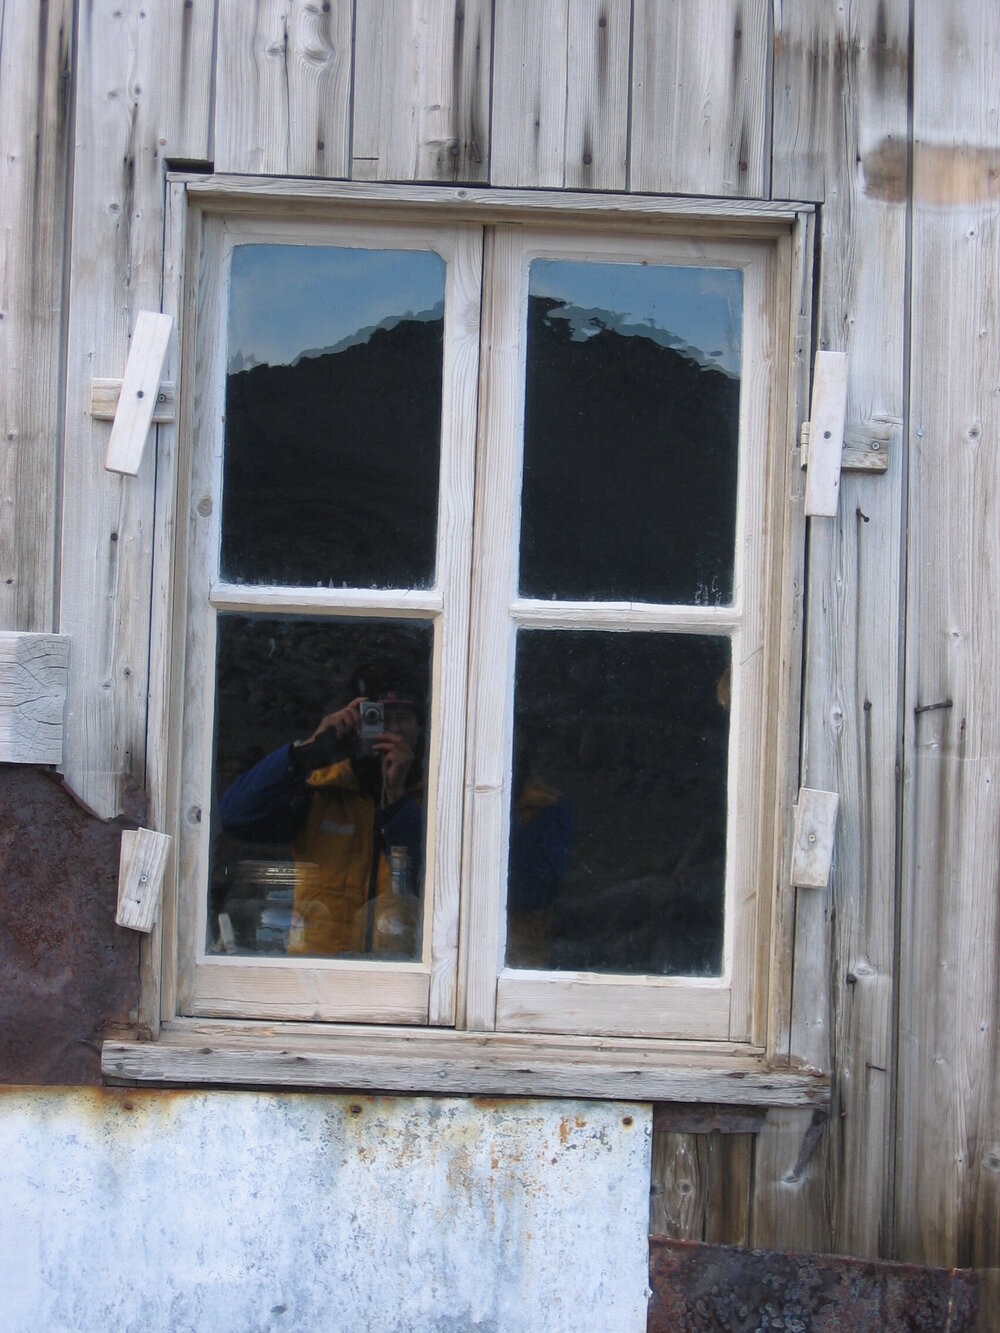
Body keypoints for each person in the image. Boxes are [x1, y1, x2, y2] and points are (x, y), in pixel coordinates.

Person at [218, 662, 425, 957]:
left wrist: (397, 800)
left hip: (398, 978)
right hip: (316, 977)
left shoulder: (436, 799)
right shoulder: (321, 790)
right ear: (355, 724)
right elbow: (234, 816)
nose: (390, 729)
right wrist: (308, 752)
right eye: (377, 718)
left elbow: (427, 883)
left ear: (421, 728)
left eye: (403, 718)